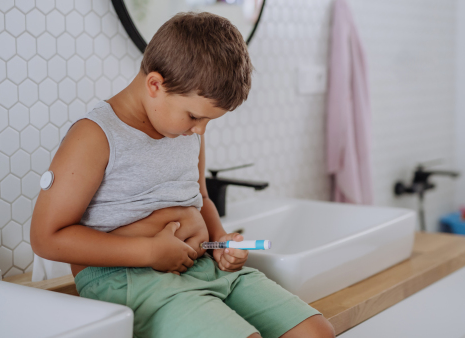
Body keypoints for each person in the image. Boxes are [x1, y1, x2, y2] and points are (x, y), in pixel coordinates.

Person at [31, 12, 335, 338]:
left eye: (208, 121)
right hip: (127, 278)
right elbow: (46, 237)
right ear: (155, 85)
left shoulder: (186, 132)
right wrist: (149, 252)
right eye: (194, 116)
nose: (200, 130)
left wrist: (219, 240)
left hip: (202, 265)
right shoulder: (95, 136)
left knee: (316, 332)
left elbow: (199, 197)